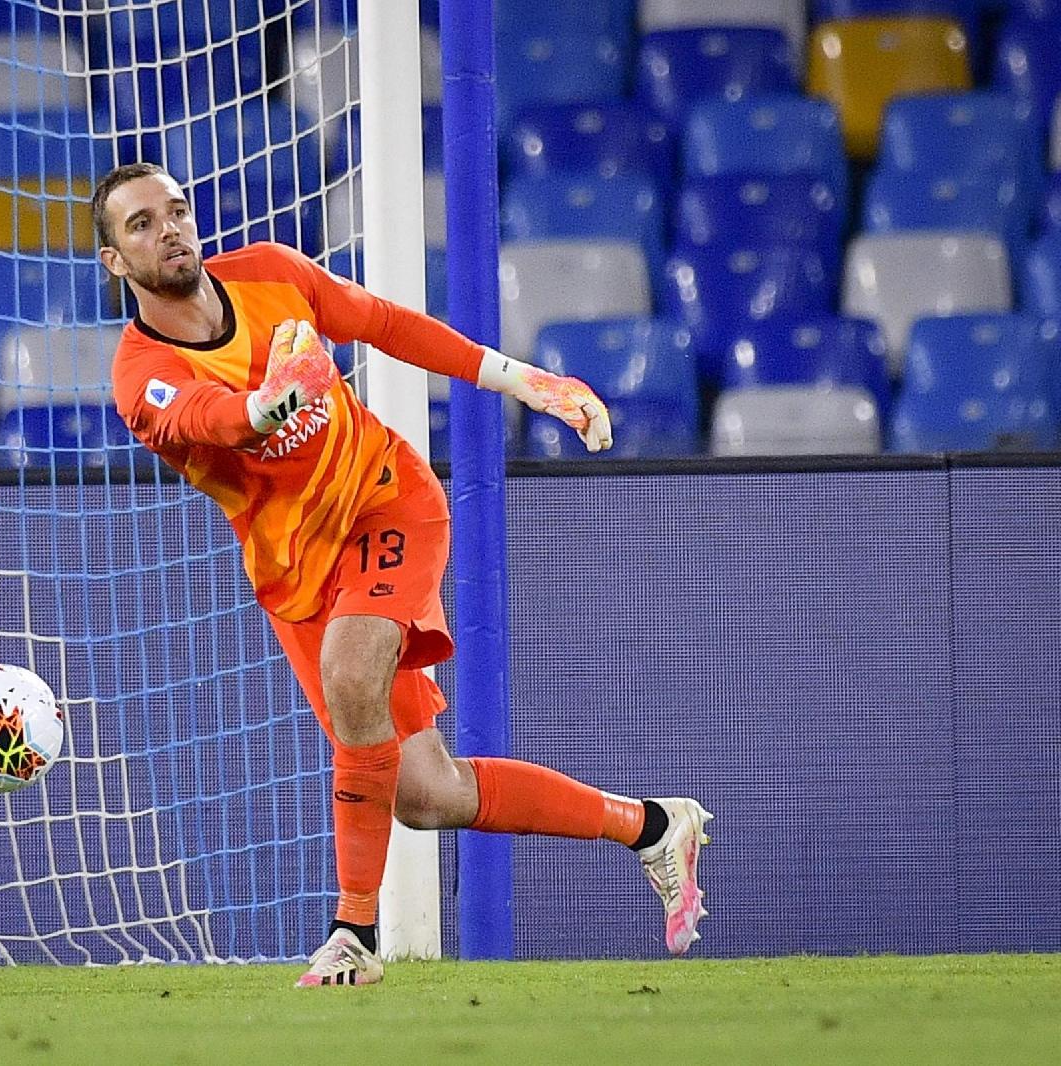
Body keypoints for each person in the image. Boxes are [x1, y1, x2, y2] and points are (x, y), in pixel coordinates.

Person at [93, 161, 712, 987]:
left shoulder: (275, 274)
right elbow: (212, 418)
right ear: (115, 260)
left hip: (389, 502)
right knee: (426, 794)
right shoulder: (139, 375)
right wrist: (269, 404)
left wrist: (525, 379)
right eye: (140, 224)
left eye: (175, 210)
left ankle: (352, 933)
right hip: (298, 574)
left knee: (354, 672)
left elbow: (387, 324)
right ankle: (651, 826)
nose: (167, 228)